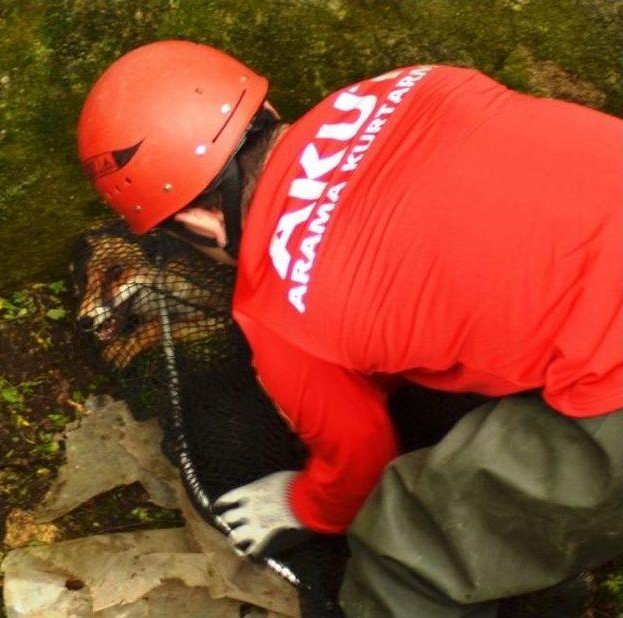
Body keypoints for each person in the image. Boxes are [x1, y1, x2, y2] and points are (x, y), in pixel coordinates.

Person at [77, 40, 623, 617]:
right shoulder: (417, 83)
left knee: (407, 550)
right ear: (260, 110)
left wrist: (307, 504)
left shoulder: (279, 308)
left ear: (198, 221)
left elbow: (359, 460)